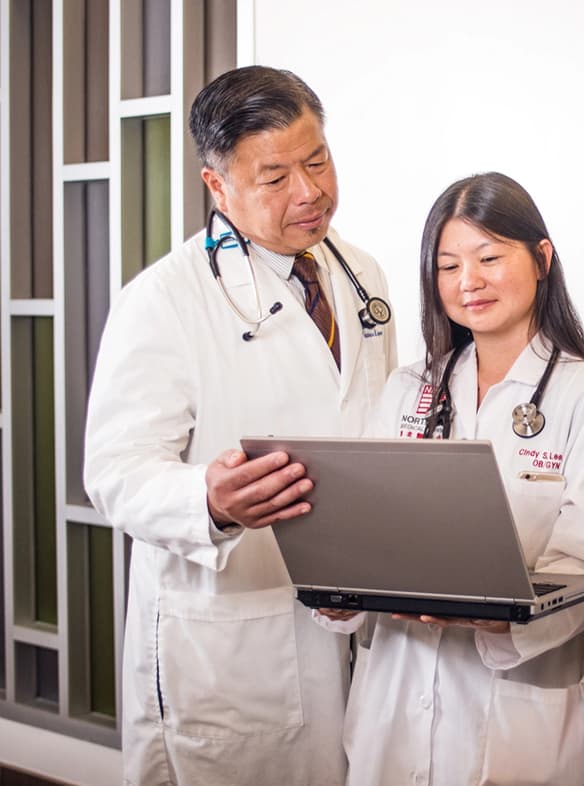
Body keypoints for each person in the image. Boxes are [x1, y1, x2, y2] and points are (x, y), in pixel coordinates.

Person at [84, 66, 397, 786]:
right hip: (229, 643)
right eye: (275, 177)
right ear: (217, 187)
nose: (309, 191)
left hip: (352, 623)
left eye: (317, 161)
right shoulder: (163, 300)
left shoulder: (363, 277)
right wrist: (210, 501)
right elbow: (115, 471)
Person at [318, 172, 584, 785]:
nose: (469, 281)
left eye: (489, 258)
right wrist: (338, 590)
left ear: (542, 258)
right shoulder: (409, 388)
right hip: (394, 700)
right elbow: (365, 531)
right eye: (448, 266)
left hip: (517, 712)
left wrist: (503, 616)